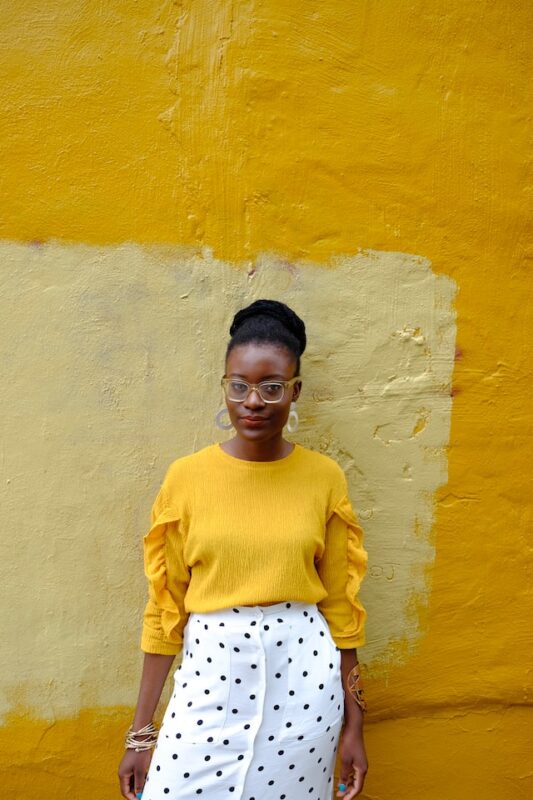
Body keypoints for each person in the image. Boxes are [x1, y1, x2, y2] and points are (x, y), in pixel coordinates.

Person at [118, 299, 369, 800]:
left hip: (304, 682)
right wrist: (142, 733)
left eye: (271, 387)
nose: (254, 401)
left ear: (295, 392)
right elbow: (165, 607)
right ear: (225, 387)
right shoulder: (186, 478)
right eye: (240, 385)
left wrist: (355, 727)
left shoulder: (324, 478)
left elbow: (342, 609)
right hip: (209, 671)